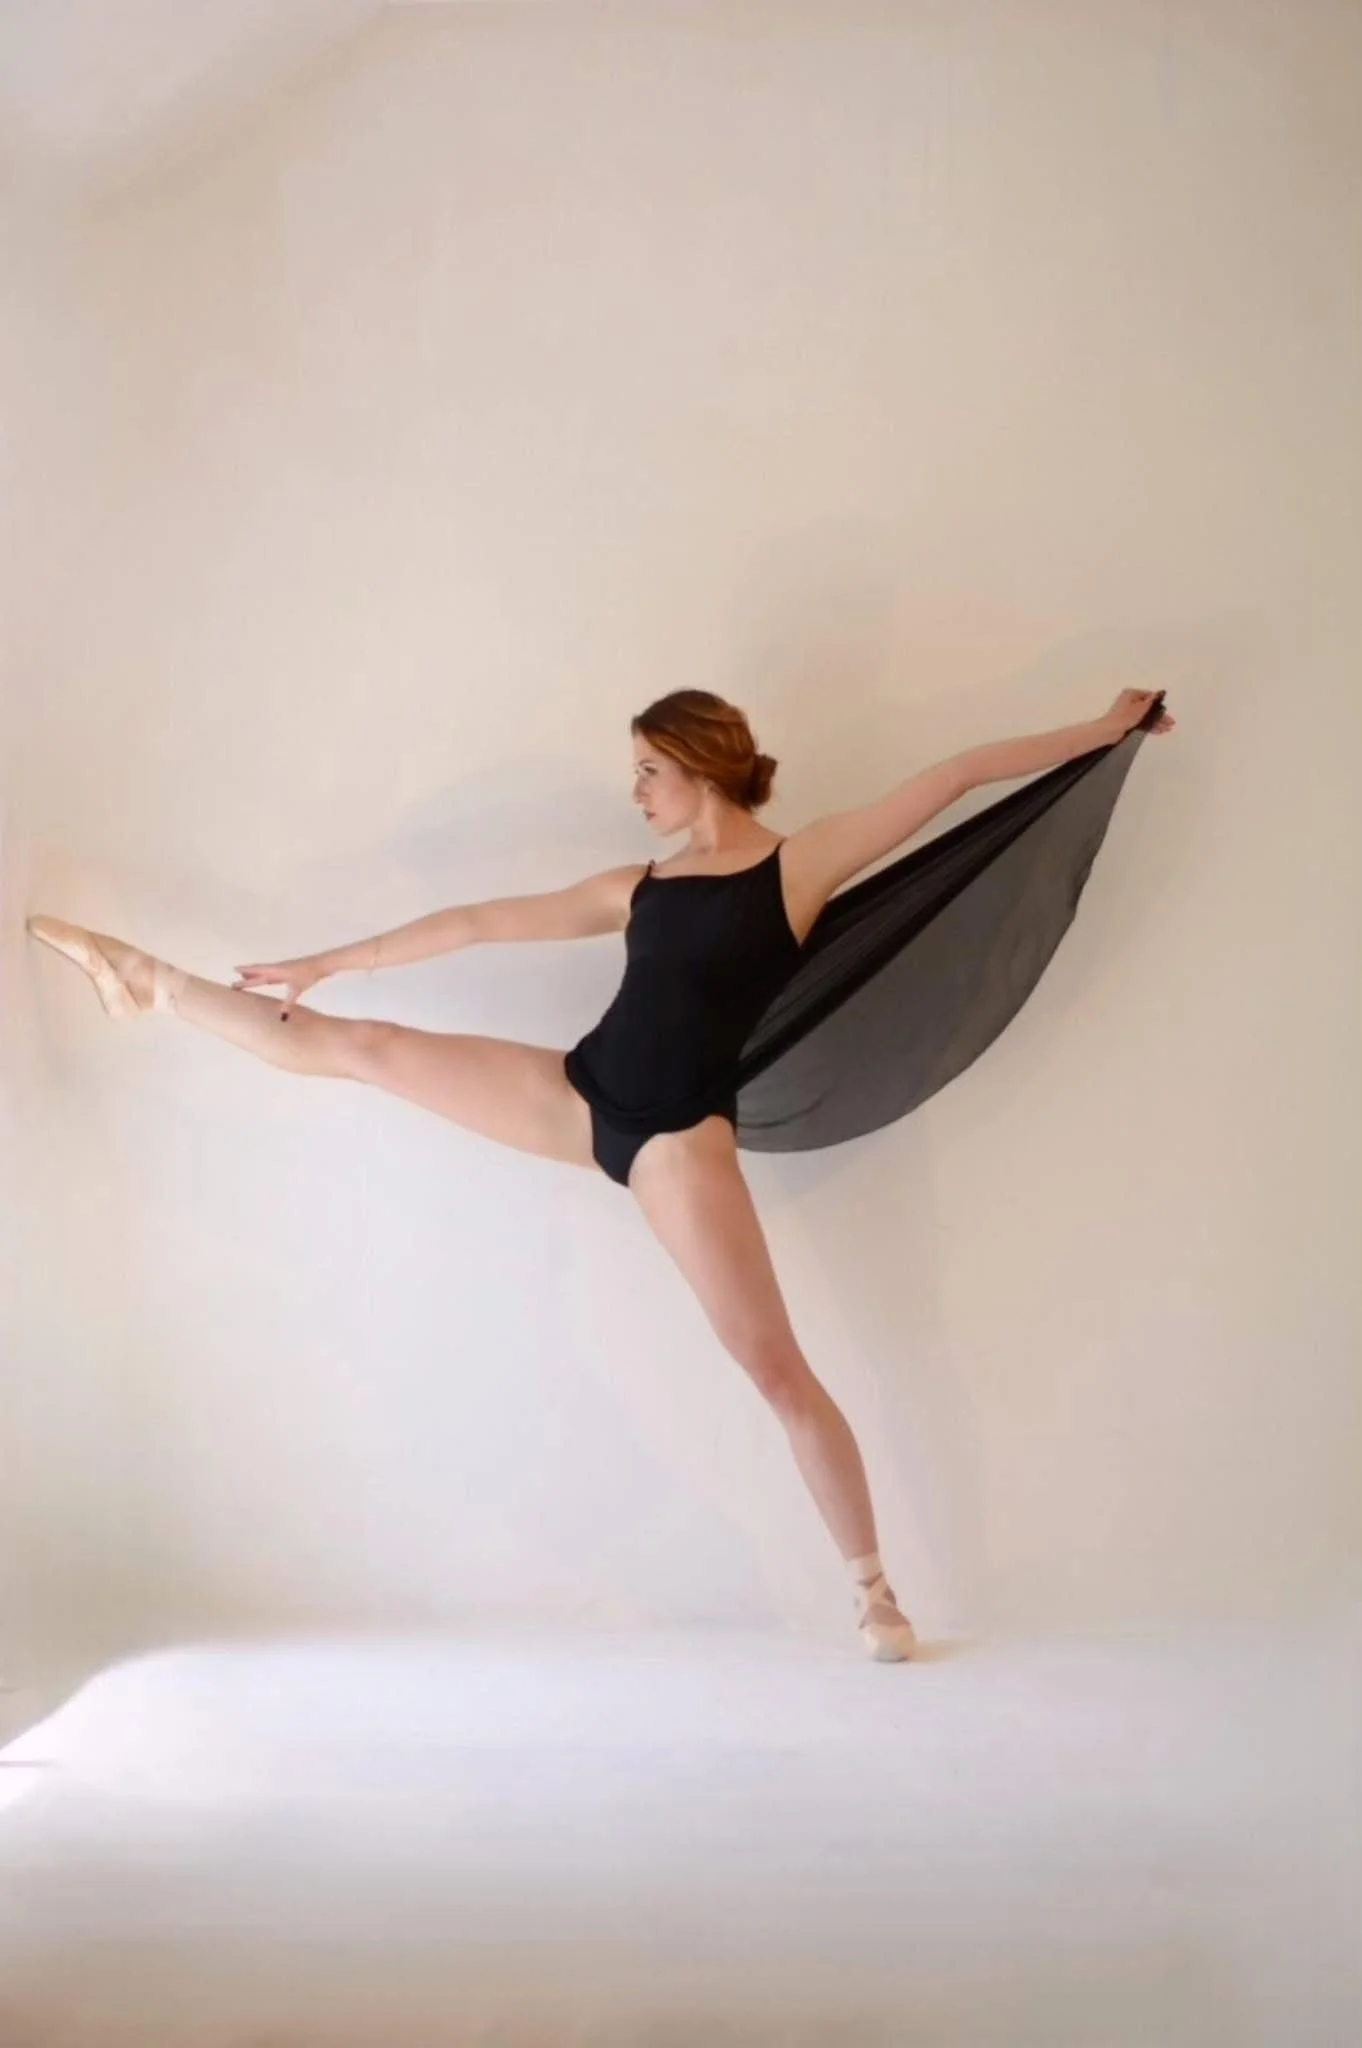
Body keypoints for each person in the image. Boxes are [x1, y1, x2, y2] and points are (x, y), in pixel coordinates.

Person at [27, 685, 1174, 1662]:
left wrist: (1101, 727)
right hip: (581, 1096)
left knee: (775, 1369)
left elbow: (958, 773)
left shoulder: (801, 863)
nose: (637, 794)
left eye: (646, 772)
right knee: (366, 1047)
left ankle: (876, 1592)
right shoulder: (638, 885)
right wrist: (337, 958)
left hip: (678, 1137)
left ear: (697, 768)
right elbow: (484, 921)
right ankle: (151, 980)